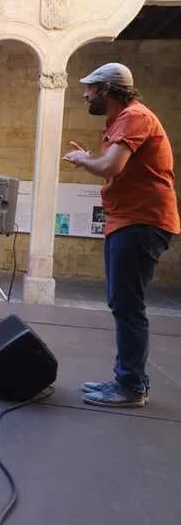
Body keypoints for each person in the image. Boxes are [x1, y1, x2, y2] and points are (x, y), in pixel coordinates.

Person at [63, 62, 179, 408]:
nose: (84, 95)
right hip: (129, 220)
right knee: (123, 303)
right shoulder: (119, 121)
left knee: (129, 306)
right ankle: (125, 379)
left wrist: (85, 159)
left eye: (90, 89)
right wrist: (90, 158)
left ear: (107, 90)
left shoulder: (134, 116)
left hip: (142, 221)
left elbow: (110, 167)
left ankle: (131, 386)